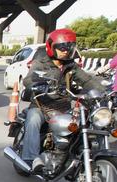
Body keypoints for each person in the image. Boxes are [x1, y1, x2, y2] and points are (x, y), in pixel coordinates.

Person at [21, 28, 105, 172]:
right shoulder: (41, 62)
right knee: (33, 120)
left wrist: (102, 92)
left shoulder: (70, 66)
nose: (65, 51)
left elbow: (87, 80)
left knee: (85, 123)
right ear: (51, 47)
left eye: (68, 47)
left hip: (63, 106)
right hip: (42, 105)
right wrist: (38, 85)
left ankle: (72, 155)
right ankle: (31, 158)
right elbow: (29, 79)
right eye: (61, 47)